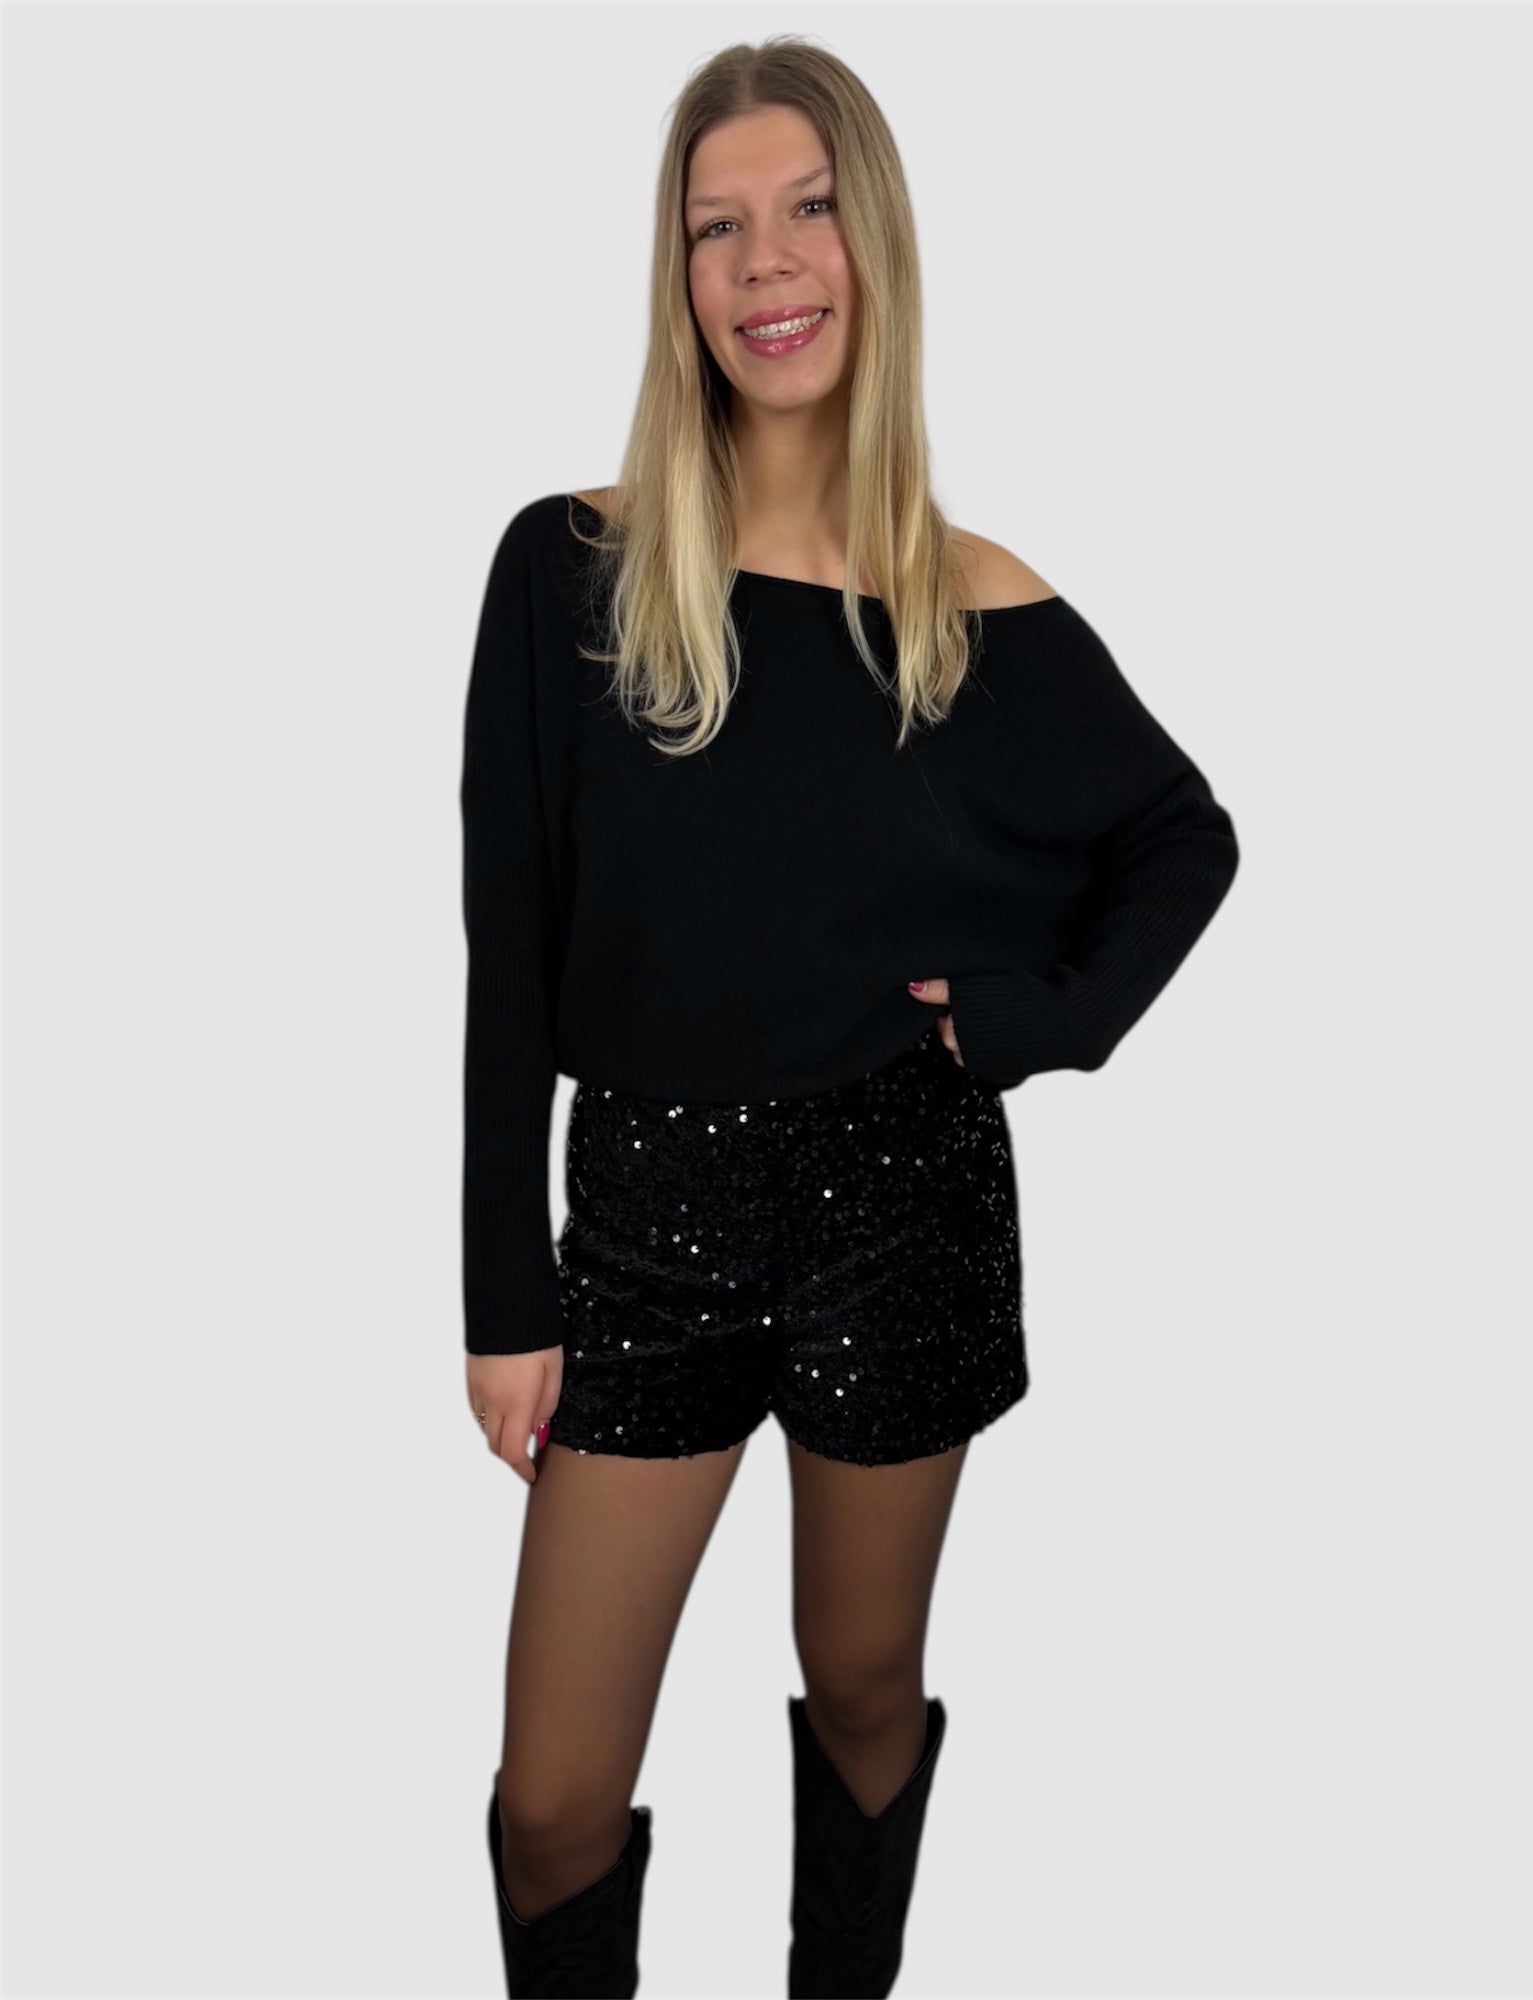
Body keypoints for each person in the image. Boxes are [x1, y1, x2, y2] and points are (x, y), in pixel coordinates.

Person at [461, 37, 1240, 2000]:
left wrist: (1037, 1022)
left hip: (906, 1196)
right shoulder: (566, 568)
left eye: (807, 208)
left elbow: (1180, 836)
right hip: (646, 1210)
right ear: (677, 276)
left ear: (871, 242)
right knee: (552, 1802)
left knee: (866, 1677)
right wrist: (503, 1289)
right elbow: (505, 943)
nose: (765, 262)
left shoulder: (969, 605)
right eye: (714, 226)